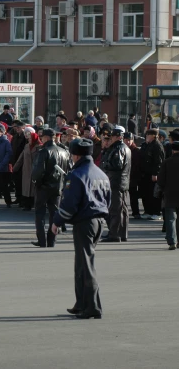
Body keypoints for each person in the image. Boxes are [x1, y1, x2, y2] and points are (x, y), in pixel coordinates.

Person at [51, 138, 111, 320]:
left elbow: (69, 204)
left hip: (85, 222)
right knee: (81, 264)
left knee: (86, 265)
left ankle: (92, 307)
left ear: (75, 155)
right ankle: (81, 303)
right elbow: (108, 200)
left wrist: (57, 222)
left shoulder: (76, 175)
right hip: (98, 221)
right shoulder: (101, 173)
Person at [31, 128, 71, 248]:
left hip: (44, 186)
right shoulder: (64, 152)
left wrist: (36, 182)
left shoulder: (44, 151)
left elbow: (38, 171)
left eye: (42, 137)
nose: (41, 139)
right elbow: (68, 169)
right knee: (54, 214)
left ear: (47, 138)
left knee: (40, 213)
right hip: (58, 187)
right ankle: (52, 240)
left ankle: (42, 240)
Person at [100, 126, 131, 243]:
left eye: (112, 136)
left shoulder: (118, 148)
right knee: (122, 210)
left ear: (117, 137)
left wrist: (106, 164)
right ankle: (122, 233)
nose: (111, 139)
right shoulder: (125, 148)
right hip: (122, 182)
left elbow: (117, 165)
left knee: (115, 210)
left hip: (116, 182)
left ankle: (115, 234)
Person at [138, 129, 165, 220]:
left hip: (152, 174)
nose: (146, 136)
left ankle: (156, 212)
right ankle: (148, 211)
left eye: (148, 135)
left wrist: (155, 173)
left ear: (153, 135)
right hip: (146, 173)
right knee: (147, 193)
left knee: (154, 194)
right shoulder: (148, 145)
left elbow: (158, 161)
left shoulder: (157, 145)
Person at [14, 127, 42, 211]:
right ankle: (27, 205)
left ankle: (33, 204)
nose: (29, 140)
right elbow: (21, 158)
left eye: (30, 138)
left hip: (35, 171)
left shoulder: (40, 147)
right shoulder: (26, 146)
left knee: (34, 189)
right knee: (26, 189)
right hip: (26, 170)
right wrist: (15, 168)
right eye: (28, 138)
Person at [157, 141, 179, 250]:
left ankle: (172, 242)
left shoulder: (167, 162)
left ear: (173, 150)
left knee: (170, 219)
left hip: (170, 194)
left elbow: (160, 180)